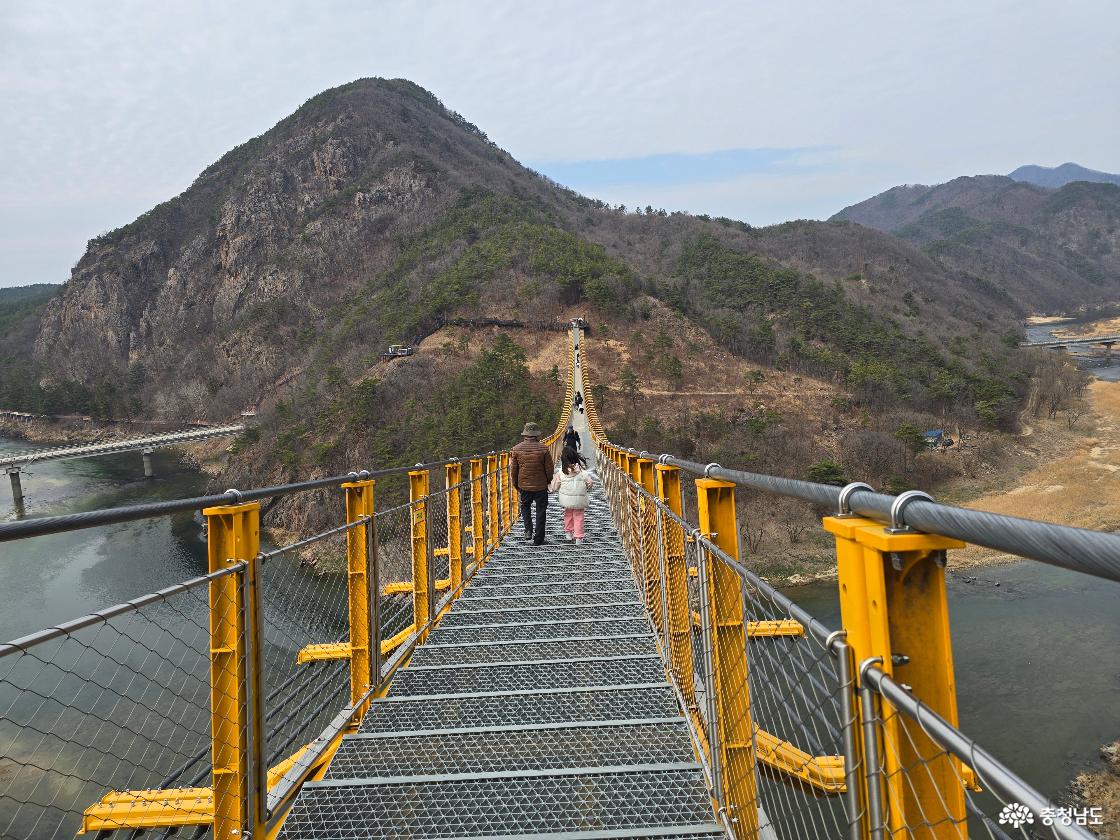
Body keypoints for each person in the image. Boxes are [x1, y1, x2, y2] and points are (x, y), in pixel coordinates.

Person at [511, 421, 554, 545]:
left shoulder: (517, 449)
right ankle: (539, 539)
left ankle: (528, 530)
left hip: (524, 485)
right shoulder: (544, 448)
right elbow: (549, 469)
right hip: (540, 486)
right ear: (537, 435)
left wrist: (516, 484)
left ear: (525, 434)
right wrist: (548, 481)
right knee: (541, 510)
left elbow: (514, 470)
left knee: (525, 507)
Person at [549, 445, 594, 545]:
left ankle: (568, 533)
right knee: (579, 516)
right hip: (579, 500)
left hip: (566, 499)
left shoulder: (561, 472)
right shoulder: (582, 472)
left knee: (568, 513)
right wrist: (587, 488)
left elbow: (555, 486)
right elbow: (590, 484)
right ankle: (578, 537)